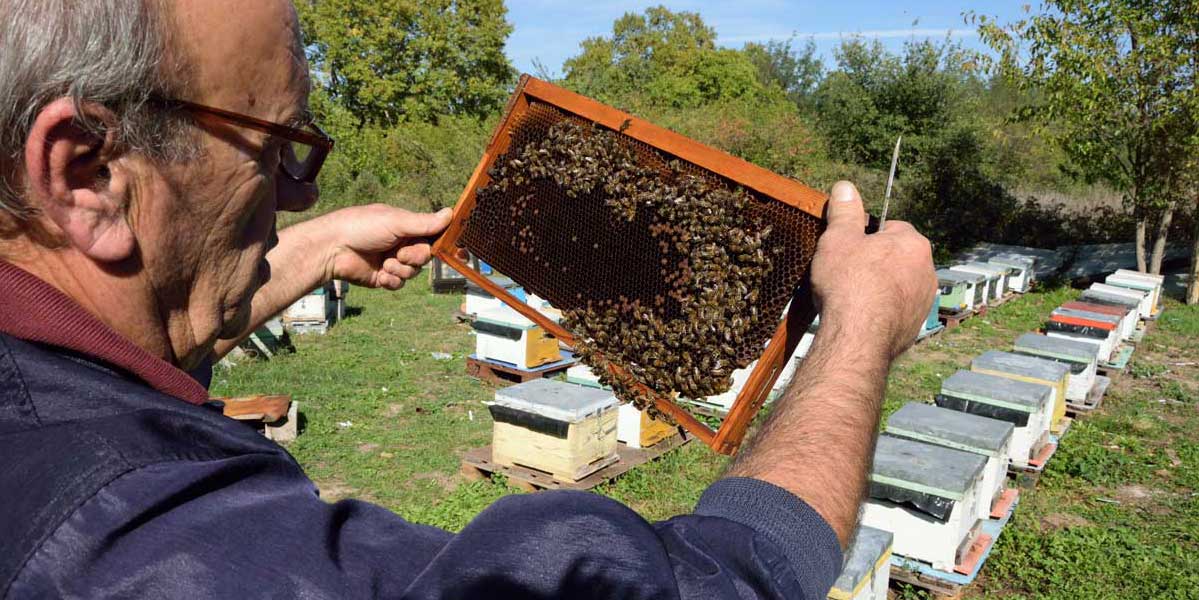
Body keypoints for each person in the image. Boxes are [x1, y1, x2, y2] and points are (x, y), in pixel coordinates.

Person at [0, 1, 935, 598]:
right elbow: (710, 588)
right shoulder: (128, 543)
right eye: (278, 148)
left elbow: (101, 345)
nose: (300, 196)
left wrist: (314, 253)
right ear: (86, 173)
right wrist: (856, 331)